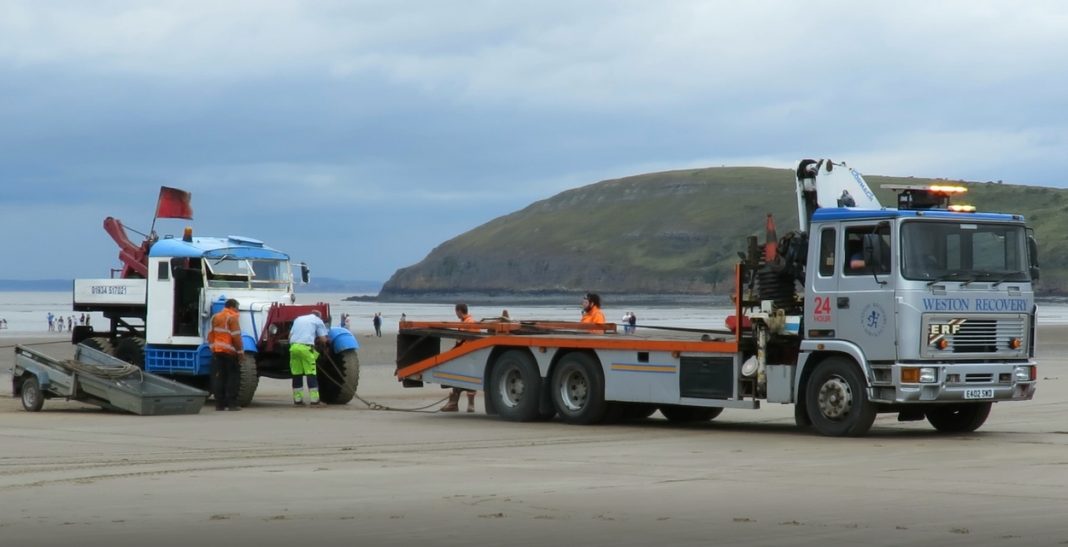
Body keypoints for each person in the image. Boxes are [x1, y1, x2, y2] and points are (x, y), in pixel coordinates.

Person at [441, 303, 478, 413]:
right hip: (472, 354)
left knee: (457, 377)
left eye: (456, 312)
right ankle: (471, 405)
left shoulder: (466, 323)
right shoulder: (472, 321)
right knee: (470, 379)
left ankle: (453, 404)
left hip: (464, 354)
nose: (456, 314)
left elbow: (459, 340)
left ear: (459, 311)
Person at [208, 299, 244, 411]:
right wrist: (240, 352)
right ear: (232, 307)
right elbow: (236, 338)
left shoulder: (215, 317)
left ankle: (219, 404)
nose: (238, 309)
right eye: (237, 307)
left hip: (217, 351)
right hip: (230, 353)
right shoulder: (232, 318)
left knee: (219, 378)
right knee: (232, 378)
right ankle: (232, 404)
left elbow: (210, 335)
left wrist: (212, 348)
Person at [290, 310, 330, 406]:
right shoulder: (317, 320)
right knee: (311, 373)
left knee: (297, 373)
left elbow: (290, 335)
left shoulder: (298, 319)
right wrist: (327, 343)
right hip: (306, 348)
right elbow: (323, 339)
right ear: (319, 316)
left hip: (293, 347)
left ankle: (298, 400)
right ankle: (314, 400)